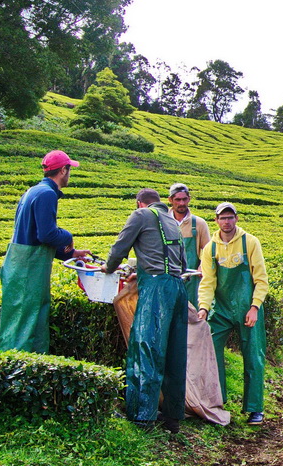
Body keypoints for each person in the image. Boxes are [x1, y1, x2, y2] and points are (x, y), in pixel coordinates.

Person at [104, 188, 190, 432]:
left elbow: (120, 248)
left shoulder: (141, 215)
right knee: (174, 354)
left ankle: (142, 416)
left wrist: (109, 268)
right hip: (177, 288)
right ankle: (172, 416)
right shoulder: (172, 222)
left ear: (140, 203)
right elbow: (180, 264)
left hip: (156, 290)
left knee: (146, 348)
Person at [0, 150, 91, 353]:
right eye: (69, 170)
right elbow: (46, 235)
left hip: (20, 263)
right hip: (28, 268)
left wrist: (70, 253)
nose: (69, 174)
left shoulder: (33, 191)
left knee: (21, 318)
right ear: (63, 170)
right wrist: (67, 237)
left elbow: (34, 235)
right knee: (27, 321)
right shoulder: (47, 194)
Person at [197, 202, 270, 426]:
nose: (226, 222)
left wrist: (255, 307)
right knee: (210, 350)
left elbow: (261, 279)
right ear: (216, 221)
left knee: (253, 357)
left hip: (248, 308)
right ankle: (216, 402)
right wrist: (203, 308)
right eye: (222, 218)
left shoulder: (250, 242)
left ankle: (254, 408)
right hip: (222, 310)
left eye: (230, 217)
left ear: (236, 219)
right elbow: (208, 282)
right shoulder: (210, 248)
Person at [167, 182, 210, 307]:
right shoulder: (163, 222)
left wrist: (202, 267)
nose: (181, 203)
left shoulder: (199, 224)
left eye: (184, 199)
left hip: (191, 279)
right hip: (167, 278)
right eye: (178, 200)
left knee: (191, 315)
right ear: (170, 200)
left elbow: (209, 251)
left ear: (189, 199)